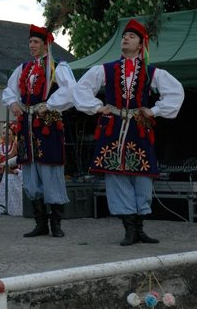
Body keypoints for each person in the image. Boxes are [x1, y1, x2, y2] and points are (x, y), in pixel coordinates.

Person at [73, 19, 184, 246]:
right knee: (116, 176)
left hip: (138, 128)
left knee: (142, 176)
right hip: (113, 128)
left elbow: (175, 92)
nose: (125, 38)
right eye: (125, 36)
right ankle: (129, 229)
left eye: (131, 37)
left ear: (141, 44)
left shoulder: (151, 72)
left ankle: (140, 227)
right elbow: (81, 88)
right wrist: (97, 107)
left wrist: (153, 110)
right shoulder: (107, 69)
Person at [2, 24, 76, 238]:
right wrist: (13, 103)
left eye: (36, 42)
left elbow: (70, 90)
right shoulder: (23, 68)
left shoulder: (57, 67)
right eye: (30, 42)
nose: (31, 45)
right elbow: (9, 90)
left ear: (46, 44)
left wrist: (51, 104)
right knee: (31, 172)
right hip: (27, 125)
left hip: (47, 125)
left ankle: (56, 223)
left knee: (50, 169)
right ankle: (40, 222)